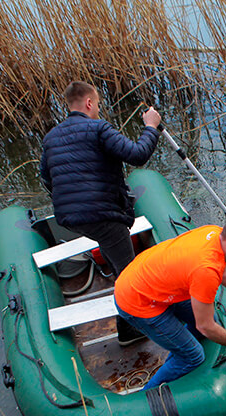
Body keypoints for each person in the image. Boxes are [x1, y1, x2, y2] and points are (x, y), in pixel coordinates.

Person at [39, 80, 161, 346]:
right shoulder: (98, 128)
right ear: (89, 103)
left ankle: (109, 255)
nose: (97, 111)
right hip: (104, 217)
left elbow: (47, 179)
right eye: (97, 106)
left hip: (70, 219)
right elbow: (138, 155)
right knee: (128, 274)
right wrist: (150, 126)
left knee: (108, 241)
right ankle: (129, 331)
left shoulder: (51, 138)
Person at [114, 214, 226, 389]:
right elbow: (205, 326)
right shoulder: (205, 271)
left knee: (209, 320)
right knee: (193, 356)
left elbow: (222, 270)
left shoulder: (214, 233)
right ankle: (148, 394)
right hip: (139, 301)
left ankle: (177, 348)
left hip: (152, 282)